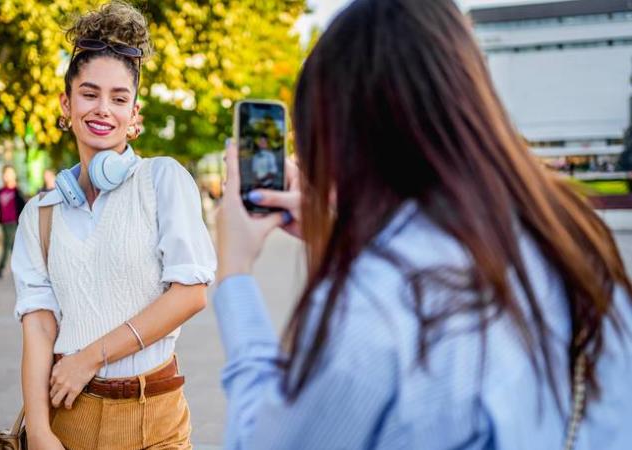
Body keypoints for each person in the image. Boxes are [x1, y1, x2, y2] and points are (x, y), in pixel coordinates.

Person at [213, 1, 632, 449]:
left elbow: (265, 440)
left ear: (342, 135)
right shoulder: (570, 235)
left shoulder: (376, 305)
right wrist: (335, 237)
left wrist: (234, 272)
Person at [11, 2, 216, 449]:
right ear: (66, 103)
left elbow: (191, 292)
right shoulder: (40, 215)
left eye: (119, 98)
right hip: (70, 416)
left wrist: (89, 358)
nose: (103, 109)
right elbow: (40, 329)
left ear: (135, 114)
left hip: (155, 417)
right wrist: (42, 433)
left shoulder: (163, 180)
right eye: (89, 93)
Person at [0, 165, 26, 278]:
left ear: (14, 175)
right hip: (4, 223)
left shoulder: (17, 191)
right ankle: (23, 270)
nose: (7, 176)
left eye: (9, 173)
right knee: (12, 247)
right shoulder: (0, 191)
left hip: (14, 223)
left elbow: (23, 207)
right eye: (5, 174)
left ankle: (0, 270)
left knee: (8, 246)